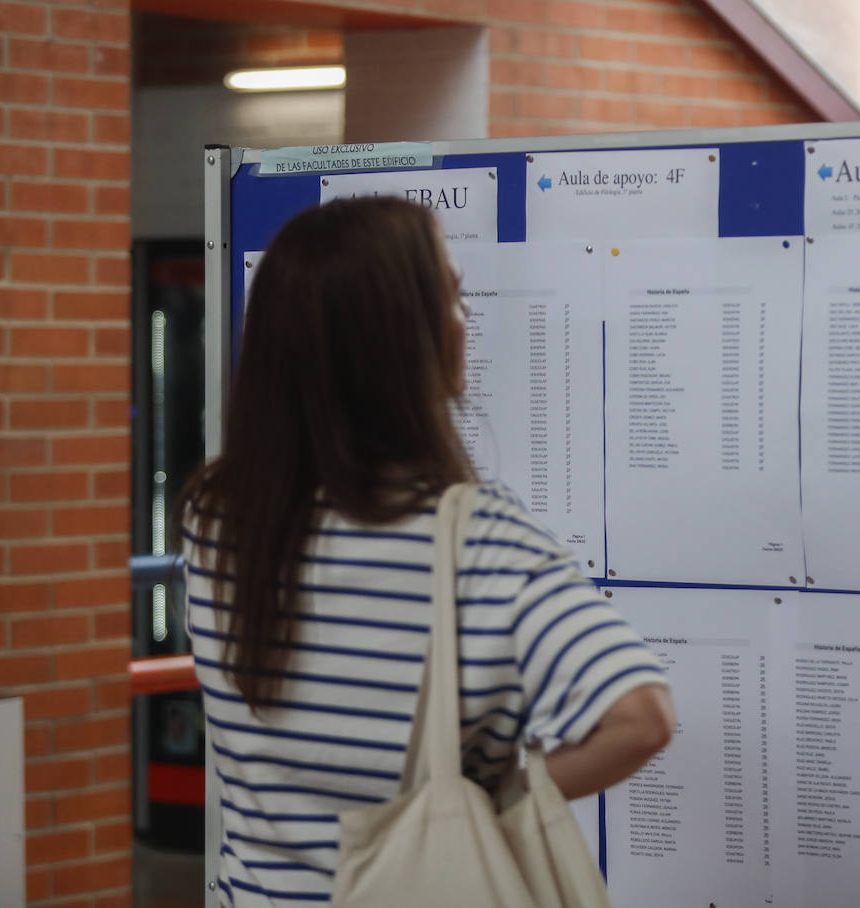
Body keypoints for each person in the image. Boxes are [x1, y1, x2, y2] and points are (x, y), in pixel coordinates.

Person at [181, 197, 674, 905]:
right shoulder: (475, 537)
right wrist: (488, 804)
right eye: (452, 297)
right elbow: (641, 718)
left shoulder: (217, 518)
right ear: (400, 339)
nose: (464, 323)